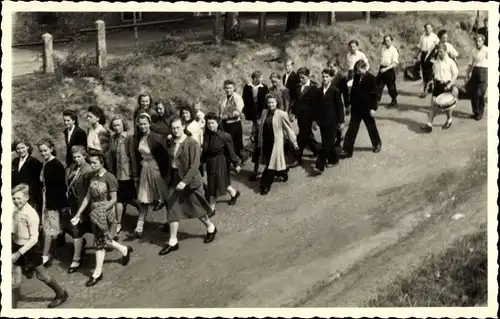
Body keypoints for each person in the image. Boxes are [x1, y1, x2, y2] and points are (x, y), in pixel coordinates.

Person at [70, 150, 133, 287]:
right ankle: (124, 250)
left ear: (102, 162)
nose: (92, 165)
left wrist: (102, 209)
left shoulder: (109, 177)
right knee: (103, 240)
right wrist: (78, 214)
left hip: (106, 213)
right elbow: (87, 197)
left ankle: (97, 273)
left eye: (94, 163)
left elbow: (114, 199)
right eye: (91, 163)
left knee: (99, 242)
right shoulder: (92, 176)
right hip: (94, 212)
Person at [159, 117, 218, 256]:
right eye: (173, 128)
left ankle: (210, 227)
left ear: (183, 127)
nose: (175, 130)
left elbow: (195, 165)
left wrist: (184, 181)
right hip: (175, 179)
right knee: (172, 208)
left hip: (190, 181)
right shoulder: (171, 142)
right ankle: (173, 241)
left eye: (178, 127)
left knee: (197, 208)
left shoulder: (192, 143)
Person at [11, 184, 69, 309]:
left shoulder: (31, 214)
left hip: (30, 249)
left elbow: (33, 238)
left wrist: (18, 253)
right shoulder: (15, 210)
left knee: (42, 275)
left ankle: (60, 293)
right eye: (14, 198)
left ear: (26, 198)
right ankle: (13, 300)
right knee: (15, 272)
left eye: (19, 198)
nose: (16, 201)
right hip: (16, 245)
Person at [132, 113, 171, 238]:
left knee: (165, 197)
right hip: (145, 169)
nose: (143, 126)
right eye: (140, 124)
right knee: (144, 198)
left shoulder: (156, 138)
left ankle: (170, 222)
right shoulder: (139, 137)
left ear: (149, 124)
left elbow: (165, 157)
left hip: (156, 169)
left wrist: (165, 174)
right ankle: (139, 226)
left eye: (145, 124)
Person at [256, 95, 298, 195]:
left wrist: (294, 141)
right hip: (266, 142)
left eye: (273, 102)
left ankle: (265, 185)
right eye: (269, 102)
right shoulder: (264, 112)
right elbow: (261, 128)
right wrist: (259, 141)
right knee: (273, 162)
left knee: (270, 164)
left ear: (277, 103)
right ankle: (283, 173)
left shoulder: (281, 114)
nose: (271, 104)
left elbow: (288, 128)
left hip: (276, 143)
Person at [37, 138, 69, 267]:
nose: (43, 153)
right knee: (53, 227)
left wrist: (57, 205)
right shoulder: (45, 163)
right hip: (46, 198)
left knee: (50, 230)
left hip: (53, 201)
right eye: (41, 151)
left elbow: (61, 187)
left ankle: (45, 255)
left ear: (51, 149)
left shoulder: (56, 165)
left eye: (45, 150)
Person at [201, 112, 242, 214]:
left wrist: (236, 163)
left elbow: (231, 151)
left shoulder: (224, 136)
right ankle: (234, 193)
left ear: (218, 123)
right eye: (208, 123)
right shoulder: (206, 135)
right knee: (220, 181)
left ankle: (212, 207)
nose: (210, 125)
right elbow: (205, 151)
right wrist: (200, 162)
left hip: (220, 162)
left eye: (212, 123)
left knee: (214, 184)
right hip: (210, 163)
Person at [341, 60, 382, 158]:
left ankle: (377, 143)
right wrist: (350, 105)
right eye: (357, 71)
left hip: (367, 108)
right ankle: (347, 150)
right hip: (356, 108)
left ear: (364, 68)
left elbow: (375, 94)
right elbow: (353, 92)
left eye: (359, 71)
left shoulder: (371, 78)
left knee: (371, 127)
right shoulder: (356, 77)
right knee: (352, 129)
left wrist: (373, 108)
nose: (358, 73)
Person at [108, 116, 139, 236]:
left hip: (128, 174)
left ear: (123, 125)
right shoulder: (112, 139)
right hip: (116, 174)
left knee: (133, 199)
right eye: (114, 125)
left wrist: (135, 175)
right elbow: (111, 157)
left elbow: (134, 158)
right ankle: (119, 223)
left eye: (118, 125)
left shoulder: (129, 138)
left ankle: (141, 218)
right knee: (119, 199)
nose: (116, 128)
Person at [65, 146, 93, 274]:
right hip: (75, 205)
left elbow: (90, 192)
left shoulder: (88, 170)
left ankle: (123, 249)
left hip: (86, 207)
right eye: (74, 157)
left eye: (79, 157)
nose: (76, 159)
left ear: (84, 156)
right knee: (77, 231)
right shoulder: (73, 167)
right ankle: (76, 259)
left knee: (99, 233)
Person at [420, 43, 459, 133]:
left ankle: (449, 120)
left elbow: (456, 74)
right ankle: (429, 125)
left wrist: (450, 85)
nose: (439, 53)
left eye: (441, 52)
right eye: (438, 52)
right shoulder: (436, 62)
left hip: (446, 86)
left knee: (447, 107)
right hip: (437, 85)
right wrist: (432, 82)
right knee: (433, 105)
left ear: (445, 51)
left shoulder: (450, 62)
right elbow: (434, 73)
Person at [313, 68, 345, 175]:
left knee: (326, 144)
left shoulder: (335, 90)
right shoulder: (319, 91)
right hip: (322, 121)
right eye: (323, 76)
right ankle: (334, 159)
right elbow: (316, 107)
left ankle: (319, 165)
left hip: (332, 121)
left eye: (327, 77)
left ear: (331, 77)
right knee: (328, 143)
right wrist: (315, 121)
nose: (325, 79)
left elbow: (340, 107)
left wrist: (342, 121)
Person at [290, 67, 320, 165]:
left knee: (302, 137)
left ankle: (297, 158)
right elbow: (295, 101)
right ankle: (318, 150)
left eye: (303, 77)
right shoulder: (298, 87)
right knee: (308, 136)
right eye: (300, 78)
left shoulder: (313, 88)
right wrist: (293, 113)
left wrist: (315, 120)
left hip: (309, 117)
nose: (301, 79)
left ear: (308, 76)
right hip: (300, 116)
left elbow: (316, 105)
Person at [12, 139, 43, 216]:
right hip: (16, 196)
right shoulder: (14, 161)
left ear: (28, 147)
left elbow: (36, 183)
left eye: (23, 148)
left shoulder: (34, 162)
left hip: (29, 196)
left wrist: (27, 195)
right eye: (18, 148)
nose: (20, 150)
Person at [326, 59, 351, 146]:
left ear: (336, 66)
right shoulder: (329, 75)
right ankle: (337, 137)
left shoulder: (341, 77)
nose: (329, 68)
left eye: (331, 66)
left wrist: (347, 105)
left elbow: (345, 92)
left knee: (338, 120)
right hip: (331, 102)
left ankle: (339, 137)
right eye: (328, 66)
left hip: (339, 101)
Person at [219, 79, 245, 160]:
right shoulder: (223, 98)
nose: (228, 90)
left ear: (234, 88)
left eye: (230, 88)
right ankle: (229, 160)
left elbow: (238, 111)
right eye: (226, 88)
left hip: (234, 124)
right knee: (226, 143)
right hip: (225, 124)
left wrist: (227, 116)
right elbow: (220, 110)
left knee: (235, 144)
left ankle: (239, 160)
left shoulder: (237, 97)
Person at [465, 34, 488, 121]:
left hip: (484, 73)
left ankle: (480, 112)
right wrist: (467, 75)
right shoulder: (473, 51)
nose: (477, 43)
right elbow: (470, 64)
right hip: (475, 72)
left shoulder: (487, 50)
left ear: (483, 42)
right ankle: (475, 112)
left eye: (479, 41)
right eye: (476, 41)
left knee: (479, 94)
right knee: (472, 93)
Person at [414, 24, 440, 97]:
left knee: (429, 72)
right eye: (426, 28)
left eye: (429, 28)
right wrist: (416, 55)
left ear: (431, 29)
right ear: (424, 29)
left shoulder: (435, 37)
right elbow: (420, 47)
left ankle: (425, 89)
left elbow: (438, 47)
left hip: (431, 56)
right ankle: (430, 86)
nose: (427, 29)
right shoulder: (422, 37)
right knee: (424, 72)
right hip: (423, 55)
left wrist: (437, 55)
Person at [376, 35, 399, 107]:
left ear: (391, 41)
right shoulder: (383, 49)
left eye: (388, 41)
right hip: (382, 68)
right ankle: (376, 101)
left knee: (391, 87)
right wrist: (381, 68)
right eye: (385, 41)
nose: (386, 42)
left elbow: (395, 63)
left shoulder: (394, 50)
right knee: (378, 86)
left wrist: (386, 69)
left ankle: (394, 99)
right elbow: (381, 59)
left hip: (389, 69)